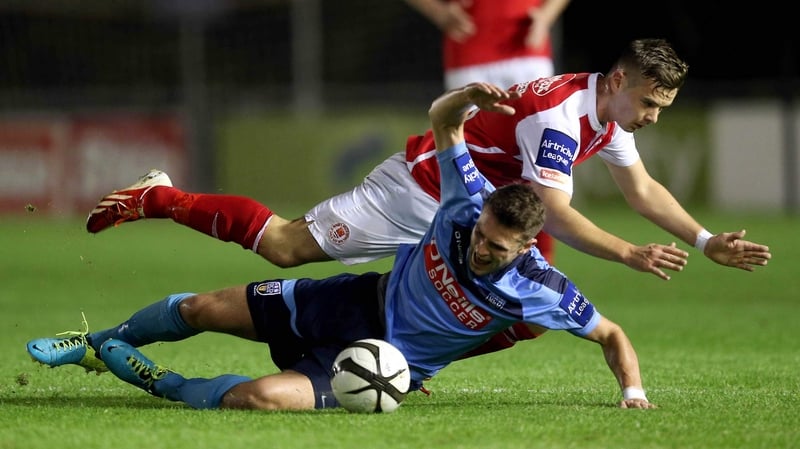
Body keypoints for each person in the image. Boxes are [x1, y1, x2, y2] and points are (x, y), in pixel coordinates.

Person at [85, 38, 771, 357]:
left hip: (473, 212)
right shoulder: (558, 116)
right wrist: (629, 253)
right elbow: (555, 209)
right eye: (649, 102)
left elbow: (642, 186)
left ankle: (408, 356)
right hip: (424, 188)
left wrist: (705, 240)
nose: (652, 116)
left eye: (662, 108)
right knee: (286, 247)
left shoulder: (605, 110)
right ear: (620, 80)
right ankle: (161, 198)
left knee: (527, 307)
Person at [29, 83, 655, 410]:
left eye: (496, 247)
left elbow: (613, 334)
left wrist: (633, 393)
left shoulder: (539, 290)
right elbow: (443, 120)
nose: (480, 249)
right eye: (482, 235)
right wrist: (467, 101)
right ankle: (95, 338)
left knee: (260, 398)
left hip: (385, 355)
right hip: (366, 278)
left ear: (526, 248)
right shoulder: (468, 200)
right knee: (222, 293)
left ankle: (154, 380)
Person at [403, 0, 572, 264]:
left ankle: (538, 264)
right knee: (470, 160)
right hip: (471, 49)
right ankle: (468, 260)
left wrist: (546, 15)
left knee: (539, 161)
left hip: (528, 44)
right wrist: (438, 11)